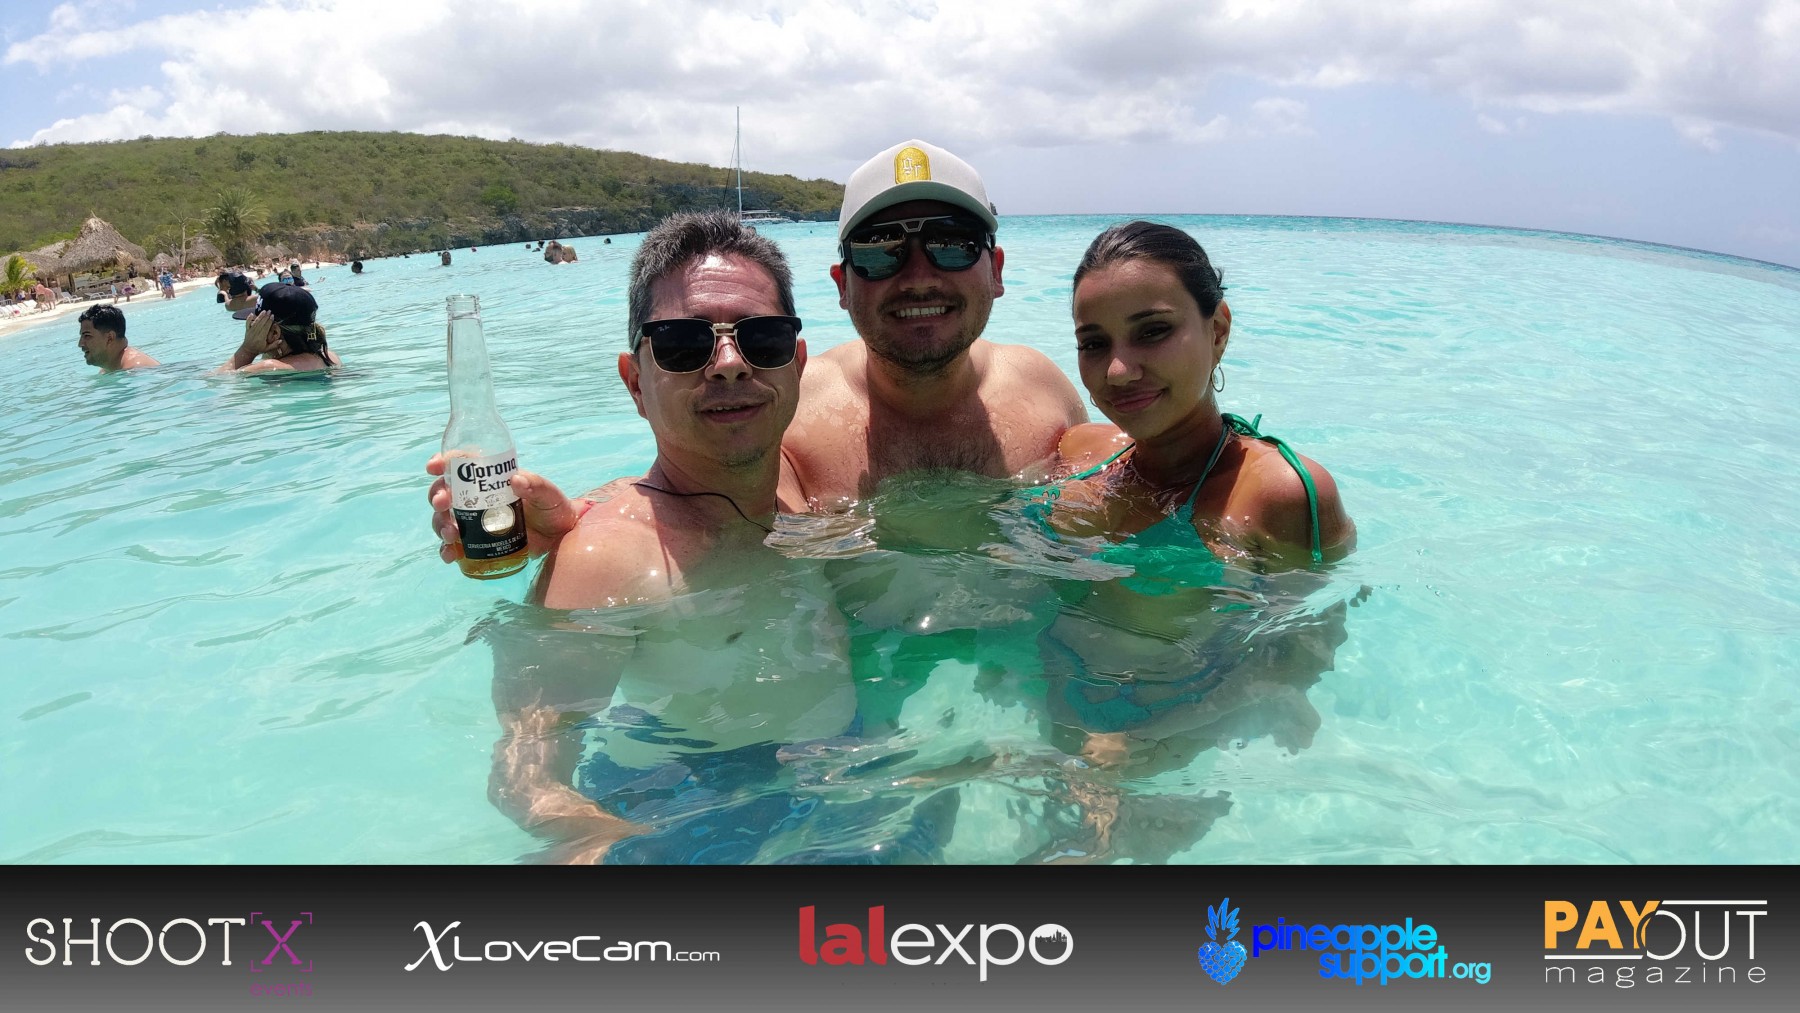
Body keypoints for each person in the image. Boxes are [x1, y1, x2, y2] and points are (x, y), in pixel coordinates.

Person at [431, 210, 863, 863]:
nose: (729, 364)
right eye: (684, 345)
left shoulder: (813, 497)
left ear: (797, 365)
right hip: (692, 806)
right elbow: (525, 774)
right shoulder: (609, 558)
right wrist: (613, 844)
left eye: (763, 338)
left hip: (844, 774)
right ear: (635, 382)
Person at [1033, 221, 1355, 769]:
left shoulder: (1280, 495)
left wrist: (1138, 749)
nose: (1118, 370)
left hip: (1159, 749)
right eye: (1094, 343)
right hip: (1043, 712)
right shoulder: (1079, 452)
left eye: (1152, 331)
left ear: (1218, 330)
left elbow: (1295, 657)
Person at [215, 283, 341, 373]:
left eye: (254, 325)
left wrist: (248, 350)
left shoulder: (268, 368)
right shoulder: (330, 357)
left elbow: (218, 383)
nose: (251, 331)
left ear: (275, 332)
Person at [77, 304, 159, 372]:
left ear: (110, 338)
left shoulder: (137, 370)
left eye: (87, 336)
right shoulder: (108, 369)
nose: (80, 344)